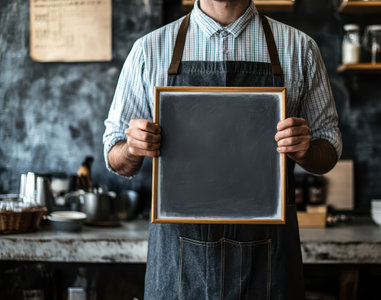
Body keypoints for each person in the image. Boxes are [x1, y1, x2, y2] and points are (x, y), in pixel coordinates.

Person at [103, 0, 342, 298]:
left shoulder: (299, 47)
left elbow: (328, 148)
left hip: (267, 256)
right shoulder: (149, 50)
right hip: (179, 261)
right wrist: (132, 148)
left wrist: (306, 150)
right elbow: (115, 154)